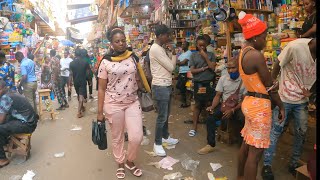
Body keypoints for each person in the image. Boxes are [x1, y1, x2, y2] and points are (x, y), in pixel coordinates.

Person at [236, 12, 285, 180]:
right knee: (255, 155)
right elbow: (269, 85)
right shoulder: (256, 56)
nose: (265, 39)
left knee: (246, 144)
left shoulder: (244, 52)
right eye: (264, 36)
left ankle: (239, 177)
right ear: (256, 37)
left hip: (250, 102)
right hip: (259, 108)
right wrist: (281, 105)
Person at [261, 38, 316, 179]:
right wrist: (272, 87)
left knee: (302, 133)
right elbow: (278, 64)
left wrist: (312, 93)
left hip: (302, 101)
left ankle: (293, 163)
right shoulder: (295, 47)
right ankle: (266, 165)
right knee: (276, 131)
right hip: (284, 98)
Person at [97, 26, 143, 178]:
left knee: (136, 137)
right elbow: (101, 89)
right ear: (111, 44)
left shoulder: (132, 57)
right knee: (117, 137)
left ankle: (130, 160)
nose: (121, 43)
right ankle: (120, 163)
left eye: (123, 40)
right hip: (113, 104)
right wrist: (99, 113)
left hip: (132, 102)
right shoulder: (105, 62)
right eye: (117, 41)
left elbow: (139, 77)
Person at [200, 58, 246, 155]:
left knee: (243, 118)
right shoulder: (223, 78)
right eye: (228, 68)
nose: (230, 71)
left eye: (233, 68)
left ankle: (242, 144)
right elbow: (218, 96)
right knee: (210, 119)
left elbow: (244, 100)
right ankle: (210, 144)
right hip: (225, 105)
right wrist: (212, 107)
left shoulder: (244, 80)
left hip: (237, 107)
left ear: (239, 68)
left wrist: (233, 110)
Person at [149, 24, 179, 157]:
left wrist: (169, 52)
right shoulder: (156, 49)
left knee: (165, 115)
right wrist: (173, 54)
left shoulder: (160, 48)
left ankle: (165, 137)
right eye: (167, 35)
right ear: (160, 36)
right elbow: (172, 67)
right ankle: (157, 144)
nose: (169, 37)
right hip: (160, 86)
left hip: (165, 85)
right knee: (162, 117)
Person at [0, 80, 38, 168]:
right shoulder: (10, 92)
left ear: (4, 88)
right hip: (29, 120)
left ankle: (2, 159)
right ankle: (4, 143)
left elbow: (1, 120)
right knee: (5, 121)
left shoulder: (6, 98)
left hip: (28, 124)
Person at [188, 35, 216, 137]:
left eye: (203, 46)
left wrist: (205, 57)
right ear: (197, 45)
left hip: (209, 82)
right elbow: (192, 71)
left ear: (206, 45)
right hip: (199, 83)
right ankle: (194, 127)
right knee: (198, 105)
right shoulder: (193, 56)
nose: (202, 48)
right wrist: (204, 68)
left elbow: (212, 67)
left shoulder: (211, 54)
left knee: (209, 104)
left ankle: (210, 128)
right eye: (200, 46)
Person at [70, 49, 90, 118]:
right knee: (81, 96)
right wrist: (89, 81)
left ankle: (82, 107)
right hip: (82, 81)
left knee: (79, 95)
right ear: (81, 54)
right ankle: (79, 112)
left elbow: (70, 74)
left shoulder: (71, 63)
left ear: (75, 54)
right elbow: (88, 73)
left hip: (75, 82)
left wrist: (69, 84)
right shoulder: (85, 62)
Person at [176, 42, 192, 108]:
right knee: (180, 86)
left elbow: (183, 62)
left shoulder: (189, 53)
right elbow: (177, 62)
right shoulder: (182, 54)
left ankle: (185, 102)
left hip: (186, 73)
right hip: (181, 72)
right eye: (182, 44)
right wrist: (179, 63)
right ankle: (186, 101)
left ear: (187, 46)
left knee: (183, 87)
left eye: (184, 44)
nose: (182, 45)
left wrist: (179, 63)